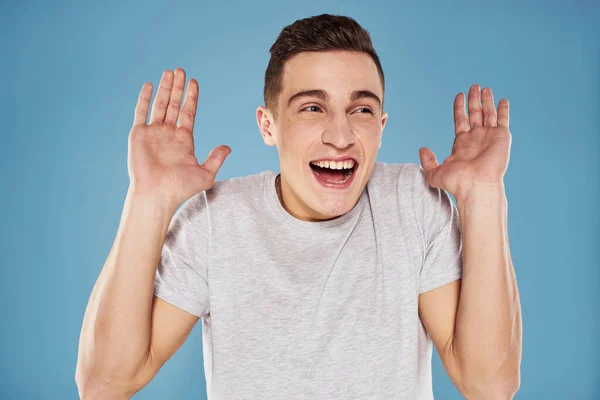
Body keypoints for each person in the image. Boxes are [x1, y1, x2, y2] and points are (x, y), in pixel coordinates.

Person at [75, 14, 522, 400]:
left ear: (381, 126)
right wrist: (149, 198)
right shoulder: (216, 221)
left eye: (361, 111)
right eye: (312, 107)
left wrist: (483, 195)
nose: (341, 136)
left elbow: (489, 386)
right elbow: (105, 385)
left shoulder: (414, 203)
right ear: (268, 125)